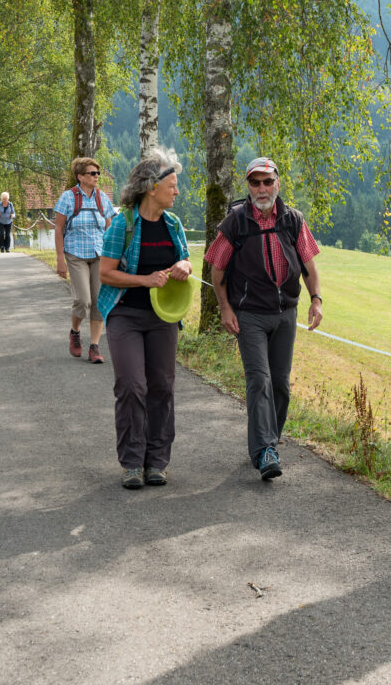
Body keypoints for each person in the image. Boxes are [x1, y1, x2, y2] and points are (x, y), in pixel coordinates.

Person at [205, 156, 323, 481]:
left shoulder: (293, 220)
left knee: (281, 384)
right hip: (250, 316)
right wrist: (225, 308)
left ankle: (267, 439)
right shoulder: (236, 222)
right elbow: (217, 269)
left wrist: (316, 300)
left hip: (286, 314)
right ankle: (266, 450)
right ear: (248, 186)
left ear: (277, 184)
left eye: (267, 182)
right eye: (255, 183)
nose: (262, 189)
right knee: (260, 380)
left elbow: (309, 267)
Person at [97, 148, 192, 489]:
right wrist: (145, 280)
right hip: (125, 314)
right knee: (132, 386)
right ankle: (132, 463)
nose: (176, 191)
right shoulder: (122, 224)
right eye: (172, 185)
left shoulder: (173, 224)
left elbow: (186, 260)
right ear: (152, 187)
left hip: (163, 317)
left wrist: (184, 265)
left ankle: (157, 462)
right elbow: (106, 274)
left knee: (162, 387)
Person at [52, 156, 112, 362]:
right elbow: (58, 228)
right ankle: (75, 332)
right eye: (92, 173)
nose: (96, 176)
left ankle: (94, 346)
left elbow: (109, 227)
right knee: (83, 301)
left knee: (99, 302)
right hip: (76, 254)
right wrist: (60, 259)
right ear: (80, 176)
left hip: (99, 255)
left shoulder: (102, 198)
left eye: (97, 173)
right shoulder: (68, 198)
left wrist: (113, 257)